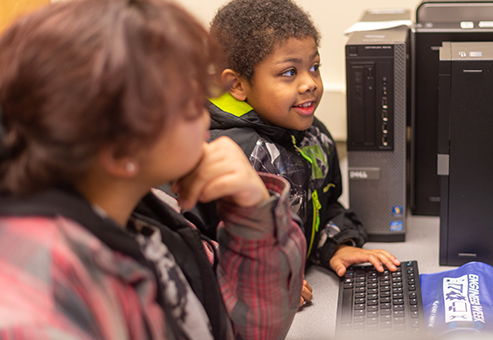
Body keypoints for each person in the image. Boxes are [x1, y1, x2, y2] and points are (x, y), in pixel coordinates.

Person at [0, 0, 306, 339]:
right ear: (121, 148)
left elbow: (243, 329)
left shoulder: (148, 219)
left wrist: (254, 214)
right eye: (186, 102)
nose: (205, 112)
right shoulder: (38, 306)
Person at [198, 0, 400, 305]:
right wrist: (260, 282)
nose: (310, 83)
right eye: (289, 72)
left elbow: (323, 206)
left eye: (314, 67)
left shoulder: (312, 135)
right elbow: (189, 247)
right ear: (238, 85)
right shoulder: (216, 153)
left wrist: (337, 245)